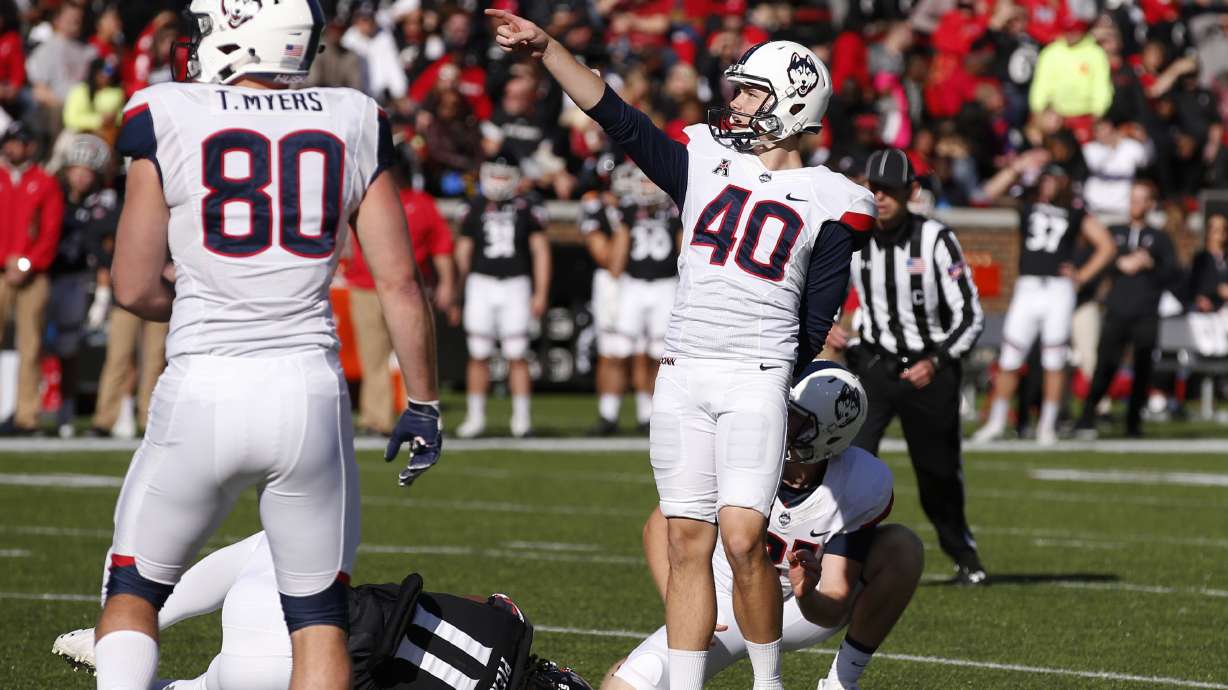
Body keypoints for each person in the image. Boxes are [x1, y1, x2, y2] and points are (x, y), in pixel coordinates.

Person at [486, 11, 875, 690]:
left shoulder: (831, 198)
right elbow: (618, 116)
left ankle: (766, 681)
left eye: (753, 92)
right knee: (685, 540)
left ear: (791, 104)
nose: (736, 102)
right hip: (683, 370)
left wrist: (775, 365)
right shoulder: (702, 157)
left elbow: (817, 317)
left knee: (744, 539)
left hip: (756, 374)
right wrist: (548, 50)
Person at [92, 2, 443, 689]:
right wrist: (424, 402)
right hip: (306, 392)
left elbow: (133, 286)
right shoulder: (350, 114)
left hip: (204, 384)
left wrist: (199, 304)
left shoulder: (167, 110)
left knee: (133, 591)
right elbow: (400, 284)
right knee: (317, 620)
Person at [602, 362, 923, 690]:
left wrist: (807, 592)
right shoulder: (737, 445)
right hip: (721, 605)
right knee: (627, 682)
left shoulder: (859, 482)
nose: (776, 423)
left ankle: (842, 682)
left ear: (828, 432)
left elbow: (832, 605)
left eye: (793, 418)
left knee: (902, 548)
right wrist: (686, 610)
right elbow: (658, 528)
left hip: (796, 612)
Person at [55, 532, 594, 690]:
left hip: (299, 626)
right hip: (281, 678)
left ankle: (125, 632)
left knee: (271, 541)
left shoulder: (507, 622)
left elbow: (487, 603)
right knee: (202, 689)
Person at [828, 148, 987, 585]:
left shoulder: (935, 238)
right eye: (872, 188)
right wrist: (829, 327)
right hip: (874, 365)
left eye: (889, 191)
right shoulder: (853, 236)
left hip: (927, 371)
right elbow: (825, 290)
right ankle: (844, 557)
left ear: (910, 191)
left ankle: (963, 554)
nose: (878, 197)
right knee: (851, 462)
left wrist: (935, 362)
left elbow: (971, 315)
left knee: (937, 472)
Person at [971, 160, 1116, 444]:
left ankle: (1047, 425)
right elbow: (984, 194)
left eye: (1054, 178)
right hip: (1028, 286)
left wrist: (1082, 275)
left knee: (1054, 358)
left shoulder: (1075, 211)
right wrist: (1017, 166)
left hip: (1058, 289)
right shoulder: (1027, 204)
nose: (1048, 183)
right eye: (1046, 177)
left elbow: (1107, 245)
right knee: (1010, 356)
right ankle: (998, 421)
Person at [345, 158, 458, 436]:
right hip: (365, 285)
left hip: (409, 289)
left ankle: (423, 415)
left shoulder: (422, 203)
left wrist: (447, 284)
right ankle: (376, 418)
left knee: (417, 354)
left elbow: (441, 246)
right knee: (372, 357)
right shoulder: (362, 196)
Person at [454, 150, 552, 439]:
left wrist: (541, 292)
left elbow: (540, 251)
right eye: (493, 175)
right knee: (478, 352)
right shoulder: (473, 205)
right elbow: (463, 251)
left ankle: (521, 419)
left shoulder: (527, 207)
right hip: (480, 283)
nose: (497, 182)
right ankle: (475, 417)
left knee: (517, 352)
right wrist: (458, 292)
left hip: (515, 284)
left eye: (503, 176)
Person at [1073, 181, 1177, 439]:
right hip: (1117, 310)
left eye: (1142, 199)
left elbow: (1172, 273)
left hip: (1145, 312)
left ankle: (1133, 422)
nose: (1136, 204)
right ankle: (1088, 416)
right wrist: (1119, 263)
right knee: (1104, 365)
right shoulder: (1113, 233)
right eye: (1133, 198)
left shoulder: (1160, 239)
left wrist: (1150, 263)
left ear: (1150, 204)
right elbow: (1096, 263)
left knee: (1142, 367)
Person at [48, 133, 116, 438]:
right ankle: (51, 410)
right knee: (54, 346)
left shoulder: (106, 202)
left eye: (87, 171)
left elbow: (107, 248)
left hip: (89, 280)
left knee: (86, 348)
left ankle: (79, 409)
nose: (80, 175)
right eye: (76, 168)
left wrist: (103, 293)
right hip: (55, 276)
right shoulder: (55, 196)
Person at [0, 121, 63, 435]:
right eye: (10, 141)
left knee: (31, 345)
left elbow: (50, 231)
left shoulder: (44, 181)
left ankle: (27, 415)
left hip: (32, 273)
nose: (13, 147)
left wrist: (26, 262)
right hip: (1, 268)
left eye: (19, 142)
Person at [608, 162, 680, 433]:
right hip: (633, 285)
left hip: (665, 285)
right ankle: (609, 413)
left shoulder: (674, 209)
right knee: (620, 350)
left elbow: (683, 251)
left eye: (652, 182)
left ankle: (649, 413)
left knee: (662, 356)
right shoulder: (627, 210)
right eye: (644, 182)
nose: (648, 188)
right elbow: (616, 262)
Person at [579, 187, 630, 436]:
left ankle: (649, 414)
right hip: (615, 283)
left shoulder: (655, 204)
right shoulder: (596, 209)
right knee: (611, 351)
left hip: (651, 280)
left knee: (654, 352)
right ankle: (608, 413)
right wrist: (624, 222)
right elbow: (608, 259)